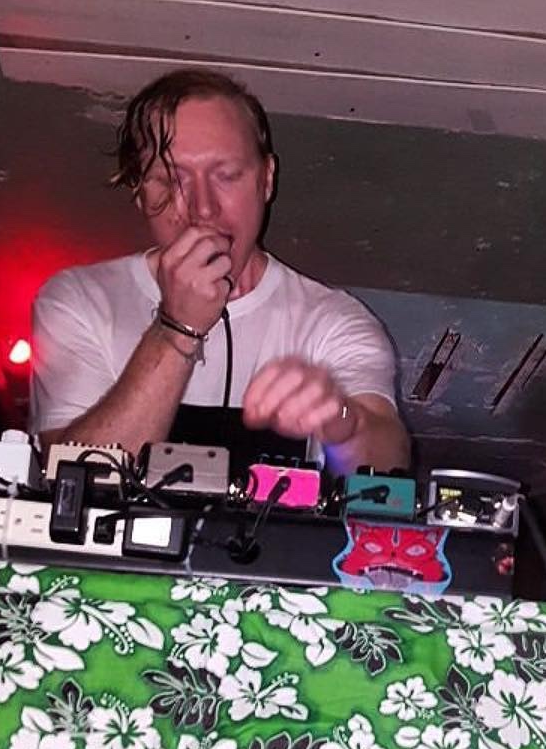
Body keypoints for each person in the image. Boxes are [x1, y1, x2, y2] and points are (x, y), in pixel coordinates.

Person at [29, 69, 409, 477]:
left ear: (267, 180)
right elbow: (74, 479)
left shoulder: (333, 320)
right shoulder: (79, 299)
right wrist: (176, 330)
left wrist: (340, 418)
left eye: (226, 176)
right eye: (171, 180)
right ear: (139, 191)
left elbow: (388, 467)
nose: (203, 208)